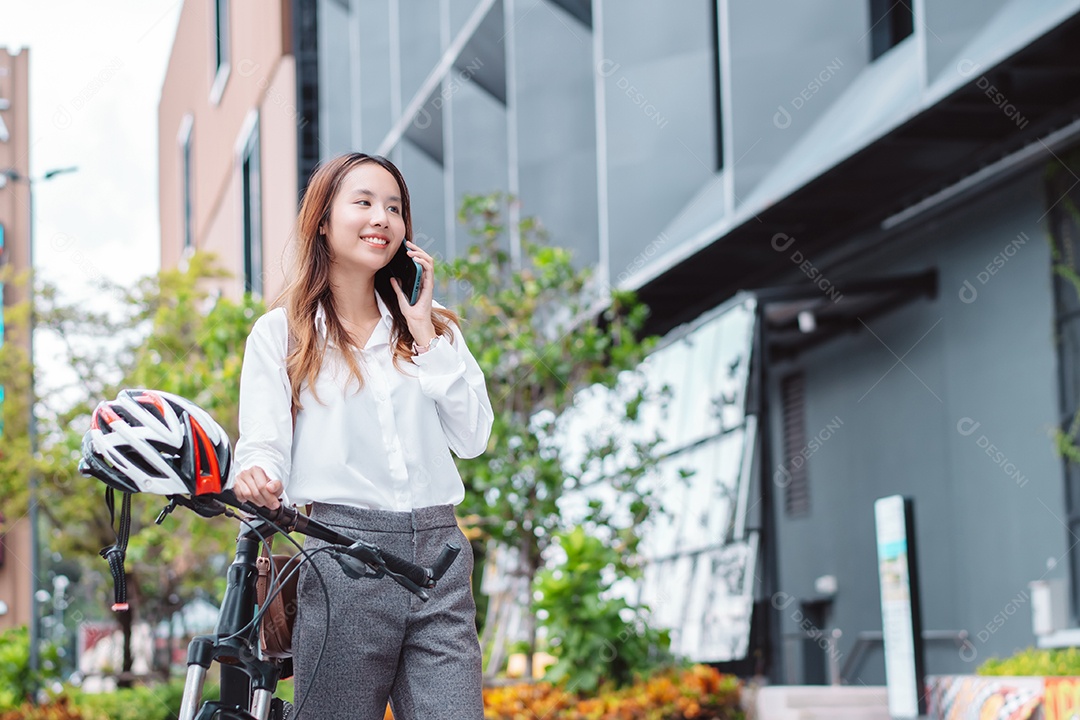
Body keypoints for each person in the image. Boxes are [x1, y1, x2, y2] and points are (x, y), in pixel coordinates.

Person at [231, 152, 493, 719]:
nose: (383, 218)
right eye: (365, 203)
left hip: (440, 559)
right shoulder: (281, 334)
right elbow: (263, 441)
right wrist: (258, 473)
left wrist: (424, 330)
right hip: (340, 553)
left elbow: (472, 437)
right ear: (323, 220)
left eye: (394, 208)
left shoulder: (433, 325)